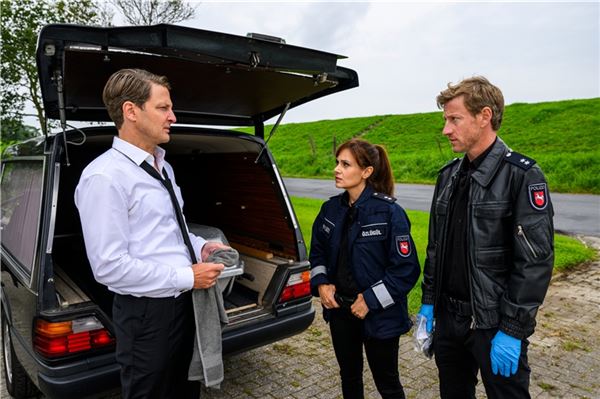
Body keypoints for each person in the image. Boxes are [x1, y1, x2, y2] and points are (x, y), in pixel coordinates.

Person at [75, 68, 226, 399]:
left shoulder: (164, 166)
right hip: (146, 316)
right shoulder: (105, 177)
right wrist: (189, 276)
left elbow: (173, 229)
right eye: (163, 108)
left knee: (185, 390)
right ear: (131, 111)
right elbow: (110, 267)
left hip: (185, 302)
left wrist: (200, 247)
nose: (173, 117)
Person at [417, 76, 554, 399]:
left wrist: (513, 329)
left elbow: (535, 262)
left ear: (484, 116)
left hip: (493, 326)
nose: (446, 130)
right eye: (445, 120)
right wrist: (428, 303)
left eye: (454, 119)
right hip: (449, 320)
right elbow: (436, 248)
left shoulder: (521, 175)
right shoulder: (448, 177)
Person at [309, 138, 420, 399]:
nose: (337, 169)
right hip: (339, 312)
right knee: (349, 378)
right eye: (337, 163)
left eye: (345, 164)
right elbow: (318, 253)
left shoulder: (390, 213)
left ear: (366, 172)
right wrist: (322, 283)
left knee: (388, 385)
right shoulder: (329, 210)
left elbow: (406, 269)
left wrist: (370, 300)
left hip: (379, 316)